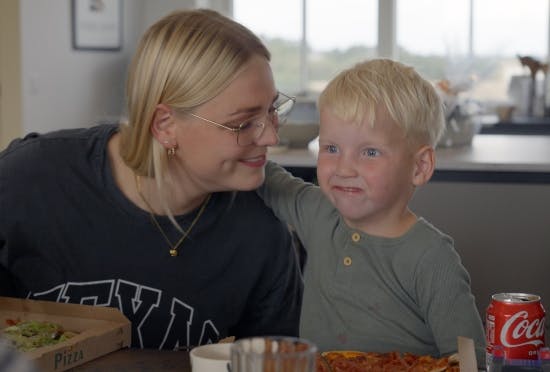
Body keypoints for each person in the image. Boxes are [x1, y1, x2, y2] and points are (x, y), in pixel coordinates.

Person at [0, 9, 303, 350]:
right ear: (165, 125)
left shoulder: (262, 231)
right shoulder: (30, 177)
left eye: (272, 110)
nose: (270, 138)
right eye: (243, 122)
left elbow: (276, 360)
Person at [257, 59, 486, 360]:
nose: (344, 167)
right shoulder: (318, 214)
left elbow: (471, 360)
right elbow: (264, 176)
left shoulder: (432, 258)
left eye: (370, 152)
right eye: (331, 148)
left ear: (419, 167)